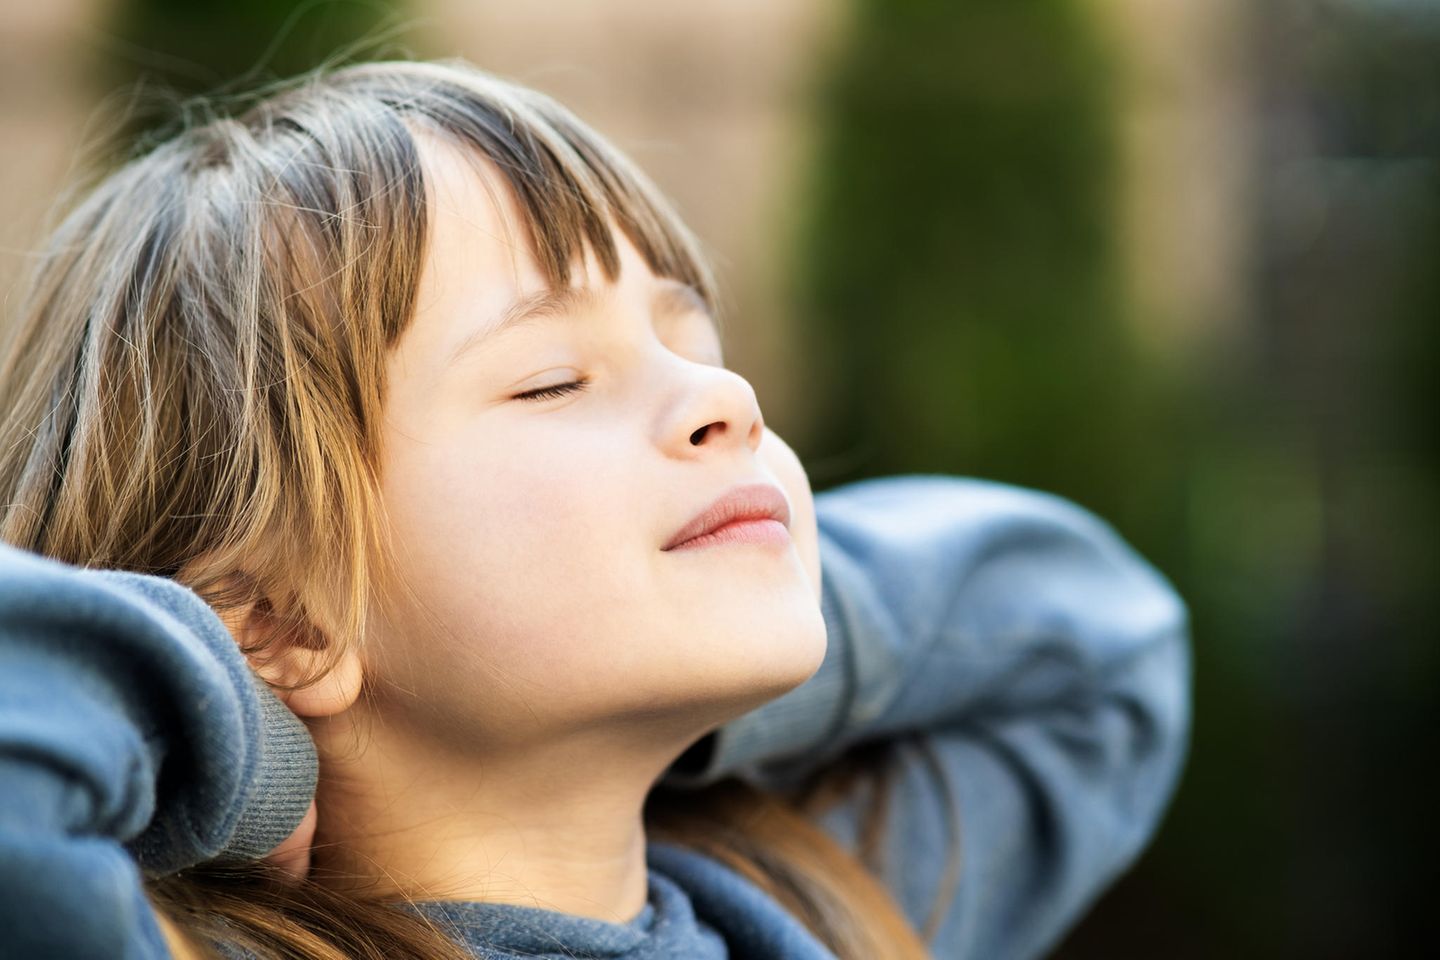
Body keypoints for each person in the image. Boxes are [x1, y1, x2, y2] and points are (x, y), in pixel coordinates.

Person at [0, 58, 1191, 960]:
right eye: (555, 380)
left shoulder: (821, 907)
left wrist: (734, 608)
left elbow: (1099, 644)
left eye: (694, 345)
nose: (725, 399)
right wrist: (241, 721)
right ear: (276, 615)